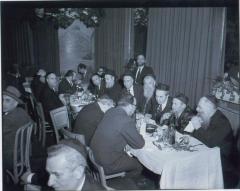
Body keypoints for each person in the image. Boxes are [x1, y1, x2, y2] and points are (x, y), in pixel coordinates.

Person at [184, 95, 236, 188]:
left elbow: (211, 144)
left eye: (200, 107)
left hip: (222, 166)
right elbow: (201, 137)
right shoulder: (207, 116)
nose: (196, 109)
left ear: (209, 107)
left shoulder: (222, 122)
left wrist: (198, 127)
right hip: (208, 156)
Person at [90, 95, 145, 177]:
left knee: (128, 154)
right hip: (107, 163)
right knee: (139, 165)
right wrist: (140, 132)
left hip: (94, 156)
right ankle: (125, 183)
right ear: (130, 106)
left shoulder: (110, 111)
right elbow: (140, 144)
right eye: (135, 106)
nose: (135, 109)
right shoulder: (125, 120)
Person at [2, 86, 32, 175]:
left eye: (7, 100)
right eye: (2, 99)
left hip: (9, 158)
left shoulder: (7, 120)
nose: (3, 103)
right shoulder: (21, 111)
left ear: (15, 103)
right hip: (24, 153)